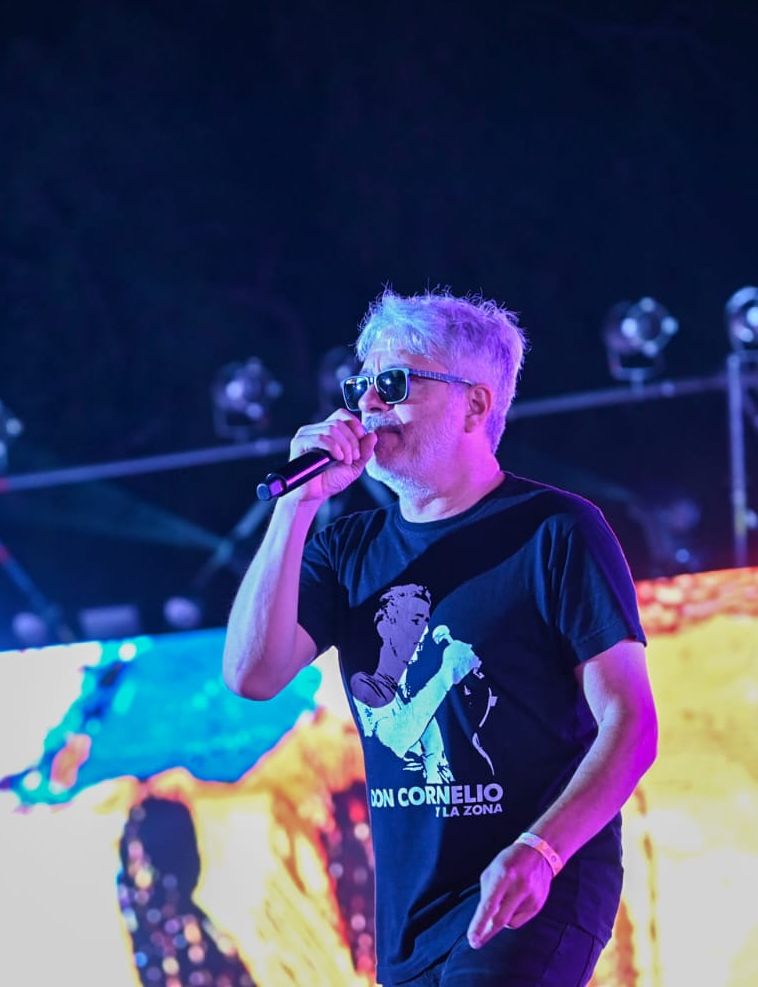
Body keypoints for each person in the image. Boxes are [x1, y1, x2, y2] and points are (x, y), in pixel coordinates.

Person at [224, 289, 659, 986]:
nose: (368, 404)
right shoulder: (345, 548)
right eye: (361, 386)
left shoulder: (556, 530)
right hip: (411, 915)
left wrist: (542, 851)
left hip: (535, 887)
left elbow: (631, 723)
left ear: (475, 406)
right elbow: (252, 675)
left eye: (395, 385)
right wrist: (297, 507)